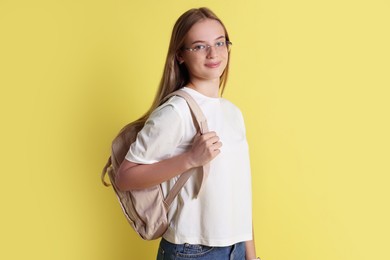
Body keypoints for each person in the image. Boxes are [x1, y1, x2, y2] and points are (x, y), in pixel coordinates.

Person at [116, 7, 259, 260]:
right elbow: (125, 177)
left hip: (236, 248)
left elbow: (240, 195)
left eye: (219, 42)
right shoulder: (176, 111)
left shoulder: (232, 113)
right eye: (200, 46)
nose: (213, 53)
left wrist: (251, 255)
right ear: (180, 55)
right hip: (192, 251)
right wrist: (191, 159)